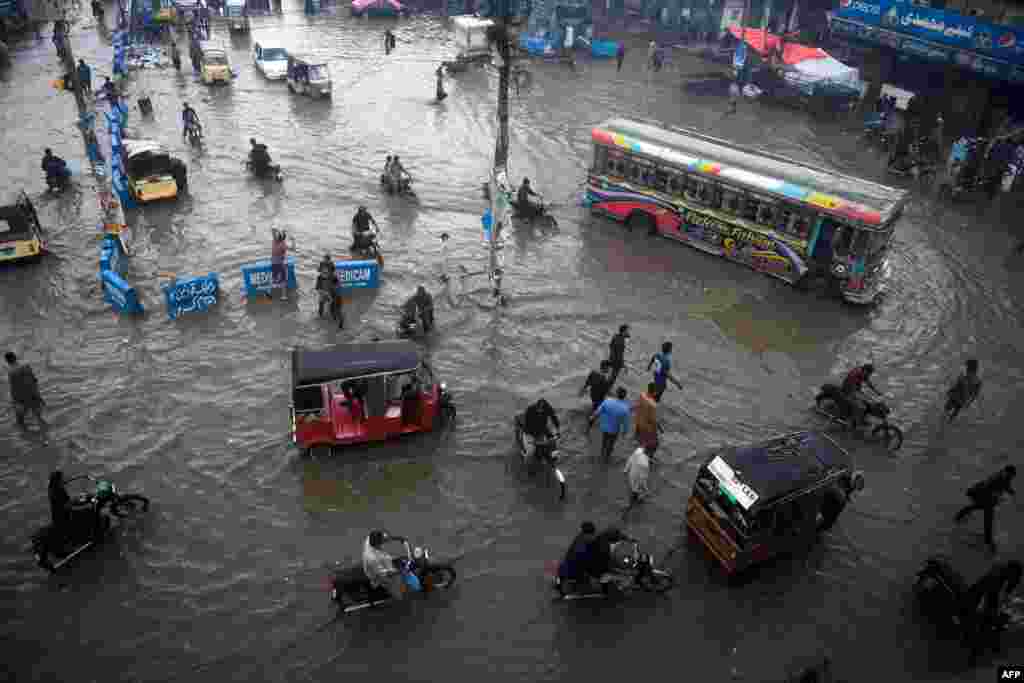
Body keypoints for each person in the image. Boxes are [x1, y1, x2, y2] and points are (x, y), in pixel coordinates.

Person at [963, 560, 1024, 664]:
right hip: (976, 599)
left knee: (992, 623)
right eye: (1015, 576)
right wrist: (997, 611)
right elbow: (990, 599)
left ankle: (988, 647)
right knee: (985, 625)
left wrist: (1006, 601)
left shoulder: (1004, 572)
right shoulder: (997, 576)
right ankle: (974, 656)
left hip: (983, 598)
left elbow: (1009, 587)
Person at [955, 465, 1017, 551]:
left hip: (987, 498)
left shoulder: (1005, 477)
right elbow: (986, 487)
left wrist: (1011, 492)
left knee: (978, 508)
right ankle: (988, 540)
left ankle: (959, 516)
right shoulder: (996, 477)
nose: (1012, 477)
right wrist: (994, 496)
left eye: (1012, 476)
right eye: (1011, 475)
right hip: (983, 496)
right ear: (1006, 472)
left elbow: (1006, 485)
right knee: (988, 517)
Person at [6, 352, 47, 428]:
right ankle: (45, 433)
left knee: (20, 420)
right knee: (38, 417)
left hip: (21, 397)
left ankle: (24, 435)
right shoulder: (26, 366)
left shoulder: (11, 372)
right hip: (32, 394)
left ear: (7, 361)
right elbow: (34, 380)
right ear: (15, 357)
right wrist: (38, 395)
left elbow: (14, 388)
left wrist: (14, 401)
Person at [362, 530, 406, 600]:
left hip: (383, 562)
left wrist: (398, 538)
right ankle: (398, 597)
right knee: (396, 586)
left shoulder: (370, 539)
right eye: (382, 541)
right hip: (377, 575)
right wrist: (401, 571)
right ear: (377, 544)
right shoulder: (372, 558)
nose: (384, 541)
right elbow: (385, 573)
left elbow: (385, 538)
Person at [590, 387, 630, 460]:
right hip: (614, 430)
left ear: (616, 393)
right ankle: (607, 457)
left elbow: (598, 412)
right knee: (611, 444)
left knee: (604, 441)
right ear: (625, 396)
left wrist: (592, 417)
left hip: (604, 427)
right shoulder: (625, 408)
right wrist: (625, 432)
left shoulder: (607, 401)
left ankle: (602, 453)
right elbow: (626, 423)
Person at [841, 362, 880, 427]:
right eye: (869, 373)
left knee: (868, 402)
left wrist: (876, 392)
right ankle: (854, 421)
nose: (869, 375)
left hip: (855, 390)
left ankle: (862, 417)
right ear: (865, 370)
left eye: (870, 374)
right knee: (860, 406)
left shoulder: (863, 373)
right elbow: (850, 384)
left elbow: (868, 383)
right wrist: (857, 394)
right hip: (848, 390)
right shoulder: (856, 373)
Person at [946, 359, 982, 423]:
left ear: (968, 367)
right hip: (963, 399)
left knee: (948, 408)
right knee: (955, 410)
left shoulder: (964, 377)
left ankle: (947, 420)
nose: (966, 368)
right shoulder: (977, 380)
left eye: (967, 366)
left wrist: (950, 391)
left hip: (956, 396)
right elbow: (975, 393)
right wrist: (970, 401)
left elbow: (957, 385)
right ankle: (949, 421)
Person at [316, 254, 343, 328]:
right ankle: (321, 316)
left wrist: (332, 296)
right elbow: (318, 287)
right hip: (324, 293)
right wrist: (321, 292)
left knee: (333, 309)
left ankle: (335, 320)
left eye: (326, 271)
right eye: (322, 271)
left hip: (331, 294)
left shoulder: (333, 277)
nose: (324, 272)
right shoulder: (320, 277)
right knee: (321, 304)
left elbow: (337, 286)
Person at [633, 382, 659, 452]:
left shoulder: (642, 395)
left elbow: (637, 405)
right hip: (645, 424)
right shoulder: (653, 404)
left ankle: (635, 440)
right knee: (643, 441)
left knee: (637, 434)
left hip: (638, 419)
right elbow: (652, 419)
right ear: (654, 392)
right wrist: (657, 427)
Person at [48, 470, 71, 536]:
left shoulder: (52, 488)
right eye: (62, 478)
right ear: (58, 480)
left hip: (57, 517)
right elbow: (66, 505)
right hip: (63, 517)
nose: (64, 479)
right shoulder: (58, 491)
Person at [270, 229, 289, 301]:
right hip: (280, 264)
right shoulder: (283, 244)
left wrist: (278, 230)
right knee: (283, 280)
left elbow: (273, 231)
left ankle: (271, 294)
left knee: (274, 279)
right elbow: (293, 248)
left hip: (274, 264)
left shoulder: (274, 242)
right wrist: (293, 241)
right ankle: (283, 296)